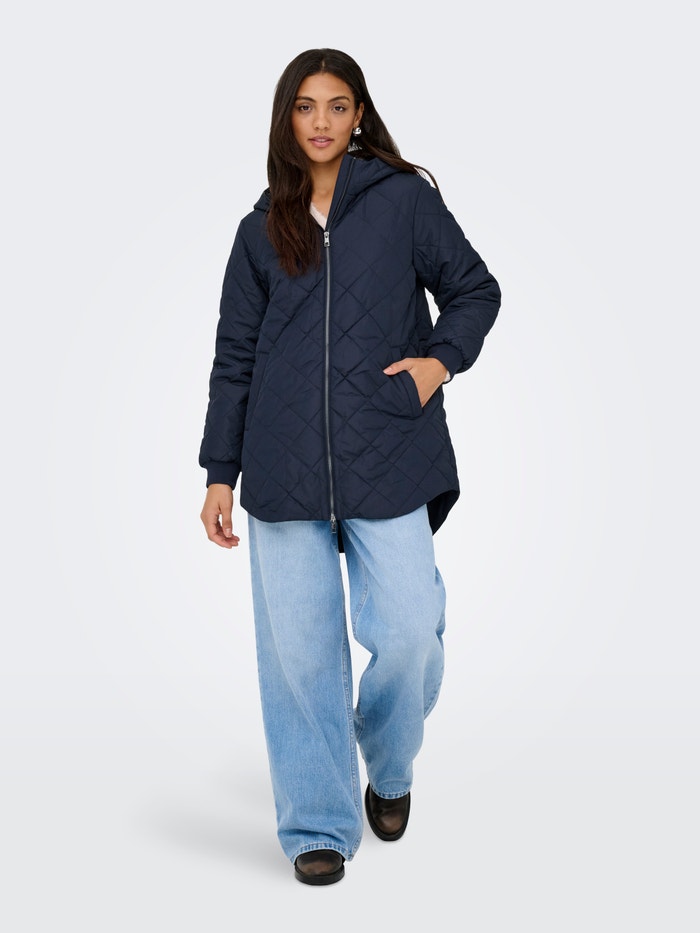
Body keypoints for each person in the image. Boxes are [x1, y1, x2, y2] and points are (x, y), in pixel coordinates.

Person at [198, 47, 501, 886]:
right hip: (282, 465)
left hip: (389, 449)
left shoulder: (404, 201)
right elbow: (234, 358)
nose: (322, 122)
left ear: (359, 113)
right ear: (286, 119)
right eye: (305, 107)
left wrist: (438, 363)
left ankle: (388, 764)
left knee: (409, 631)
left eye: (337, 105)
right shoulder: (261, 228)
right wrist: (220, 470)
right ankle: (318, 823)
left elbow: (475, 289)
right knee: (299, 660)